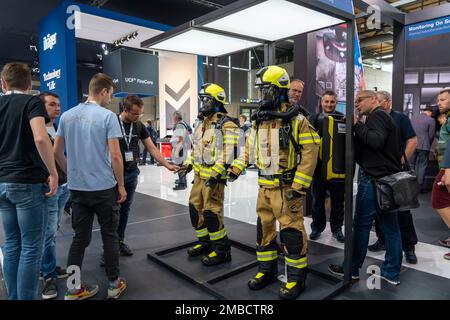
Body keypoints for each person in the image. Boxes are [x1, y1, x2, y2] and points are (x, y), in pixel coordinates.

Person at [228, 66, 320, 300]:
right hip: (264, 189)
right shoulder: (259, 121)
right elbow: (249, 149)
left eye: (265, 90)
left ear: (278, 90)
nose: (262, 95)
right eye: (260, 90)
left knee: (291, 234)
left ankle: (296, 279)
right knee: (264, 231)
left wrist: (299, 186)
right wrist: (236, 168)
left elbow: (311, 151)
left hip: (287, 189)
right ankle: (267, 271)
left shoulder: (296, 120)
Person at [54, 73, 127, 300]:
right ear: (103, 91)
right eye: (110, 95)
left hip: (78, 189)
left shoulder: (66, 116)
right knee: (109, 235)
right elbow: (116, 155)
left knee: (79, 238)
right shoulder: (107, 117)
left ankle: (73, 288)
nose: (110, 100)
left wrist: (71, 172)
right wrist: (122, 186)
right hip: (104, 188)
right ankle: (114, 284)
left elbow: (56, 151)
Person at [329, 90, 403, 286]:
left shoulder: (377, 115)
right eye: (356, 101)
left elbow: (376, 141)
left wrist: (356, 126)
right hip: (387, 180)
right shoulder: (385, 118)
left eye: (360, 100)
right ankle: (391, 273)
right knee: (391, 228)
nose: (357, 104)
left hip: (374, 181)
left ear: (374, 100)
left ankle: (351, 269)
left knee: (361, 226)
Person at [0, 62, 58, 300]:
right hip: (27, 183)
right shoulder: (32, 102)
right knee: (32, 248)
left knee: (12, 244)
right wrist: (53, 172)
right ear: (28, 84)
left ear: (3, 84)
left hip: (2, 183)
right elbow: (41, 138)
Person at [178, 83, 239, 266]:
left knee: (212, 215)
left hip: (214, 180)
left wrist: (215, 175)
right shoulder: (201, 124)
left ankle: (221, 250)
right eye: (202, 99)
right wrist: (188, 165)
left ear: (217, 102)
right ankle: (205, 243)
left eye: (207, 99)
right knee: (195, 210)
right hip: (198, 178)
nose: (203, 103)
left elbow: (228, 154)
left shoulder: (227, 125)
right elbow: (196, 149)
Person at [113, 95, 178, 257]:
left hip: (132, 174)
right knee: (112, 212)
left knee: (125, 211)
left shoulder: (139, 126)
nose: (138, 117)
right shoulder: (112, 122)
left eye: (140, 114)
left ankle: (119, 241)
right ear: (125, 110)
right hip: (113, 176)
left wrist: (166, 164)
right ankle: (109, 249)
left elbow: (152, 148)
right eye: (135, 114)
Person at [368, 91, 419, 264]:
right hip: (379, 173)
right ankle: (382, 240)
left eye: (379, 101)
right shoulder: (373, 117)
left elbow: (412, 140)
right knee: (380, 208)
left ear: (388, 102)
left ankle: (409, 246)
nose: (376, 103)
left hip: (396, 171)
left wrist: (401, 161)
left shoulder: (400, 118)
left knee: (402, 210)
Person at [38, 92, 71, 300]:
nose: (57, 108)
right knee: (47, 234)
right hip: (49, 188)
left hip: (64, 185)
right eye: (52, 105)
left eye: (58, 105)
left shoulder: (56, 127)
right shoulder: (37, 129)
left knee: (53, 231)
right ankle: (47, 275)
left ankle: (49, 266)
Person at [308, 90, 345, 242]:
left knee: (338, 202)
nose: (329, 104)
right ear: (321, 103)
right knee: (317, 201)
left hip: (338, 169)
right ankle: (317, 227)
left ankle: (337, 229)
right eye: (326, 101)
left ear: (336, 102)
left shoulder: (343, 119)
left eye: (332, 102)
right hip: (319, 170)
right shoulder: (314, 119)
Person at [432, 88, 450, 260]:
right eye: (439, 100)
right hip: (445, 167)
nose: (439, 102)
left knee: (439, 200)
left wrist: (448, 170)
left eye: (443, 100)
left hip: (448, 168)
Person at [411, 106, 436, 193]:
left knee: (411, 165)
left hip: (412, 144)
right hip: (424, 146)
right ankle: (419, 187)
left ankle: (410, 185)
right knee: (422, 165)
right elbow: (431, 135)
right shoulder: (431, 120)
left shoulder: (413, 118)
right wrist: (428, 143)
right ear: (430, 112)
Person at [171, 111, 191, 190]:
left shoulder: (179, 125)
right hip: (183, 148)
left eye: (173, 117)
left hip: (180, 148)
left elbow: (180, 138)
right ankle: (182, 180)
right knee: (181, 165)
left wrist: (176, 151)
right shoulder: (183, 123)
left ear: (175, 118)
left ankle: (182, 184)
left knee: (180, 165)